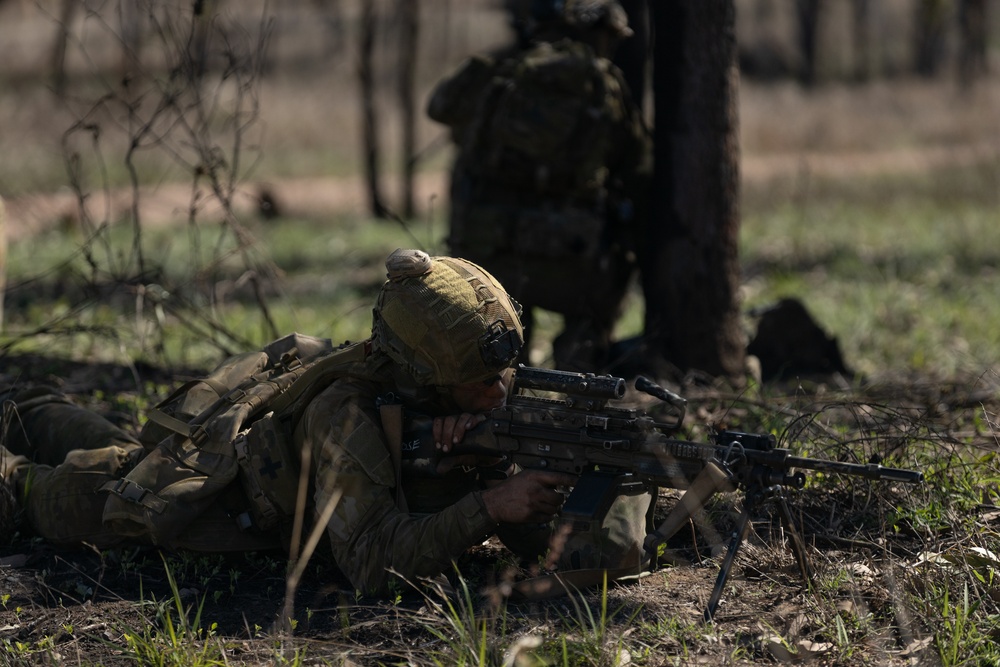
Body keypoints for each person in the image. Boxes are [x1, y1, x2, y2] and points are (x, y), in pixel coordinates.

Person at [0, 249, 654, 597]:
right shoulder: (347, 414)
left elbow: (554, 543)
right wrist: (487, 503)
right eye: (480, 384)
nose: (500, 393)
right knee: (40, 493)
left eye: (504, 377)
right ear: (422, 373)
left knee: (66, 424)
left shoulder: (442, 396)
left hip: (237, 457)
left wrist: (495, 471)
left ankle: (22, 403)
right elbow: (370, 561)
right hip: (208, 500)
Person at [427, 0, 651, 373]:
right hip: (572, 252)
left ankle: (502, 392)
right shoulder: (603, 82)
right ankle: (579, 384)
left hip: (489, 248)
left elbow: (439, 107)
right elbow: (638, 165)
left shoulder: (503, 72)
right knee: (588, 324)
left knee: (499, 338)